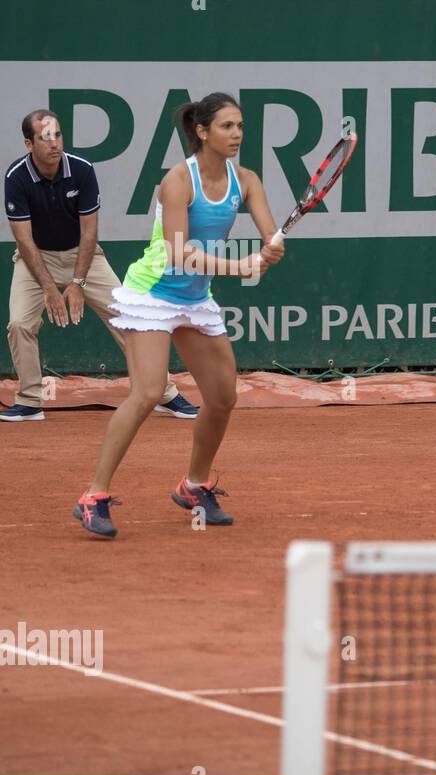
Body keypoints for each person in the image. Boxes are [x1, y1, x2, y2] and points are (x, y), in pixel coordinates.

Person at [74, 93, 284, 537]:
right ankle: (93, 495)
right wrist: (241, 266)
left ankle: (194, 485)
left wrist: (274, 246)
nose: (238, 135)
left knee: (223, 398)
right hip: (153, 295)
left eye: (241, 126)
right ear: (203, 132)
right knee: (148, 392)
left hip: (194, 299)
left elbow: (270, 235)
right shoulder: (177, 181)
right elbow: (179, 253)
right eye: (227, 126)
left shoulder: (245, 180)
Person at [3, 109, 198, 422]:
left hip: (84, 255)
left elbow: (89, 231)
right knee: (20, 324)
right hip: (35, 258)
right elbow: (24, 240)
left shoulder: (80, 169)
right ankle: (29, 400)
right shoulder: (16, 178)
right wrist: (49, 287)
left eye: (58, 135)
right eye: (44, 138)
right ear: (29, 144)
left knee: (129, 317)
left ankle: (164, 394)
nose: (54, 144)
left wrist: (78, 283)